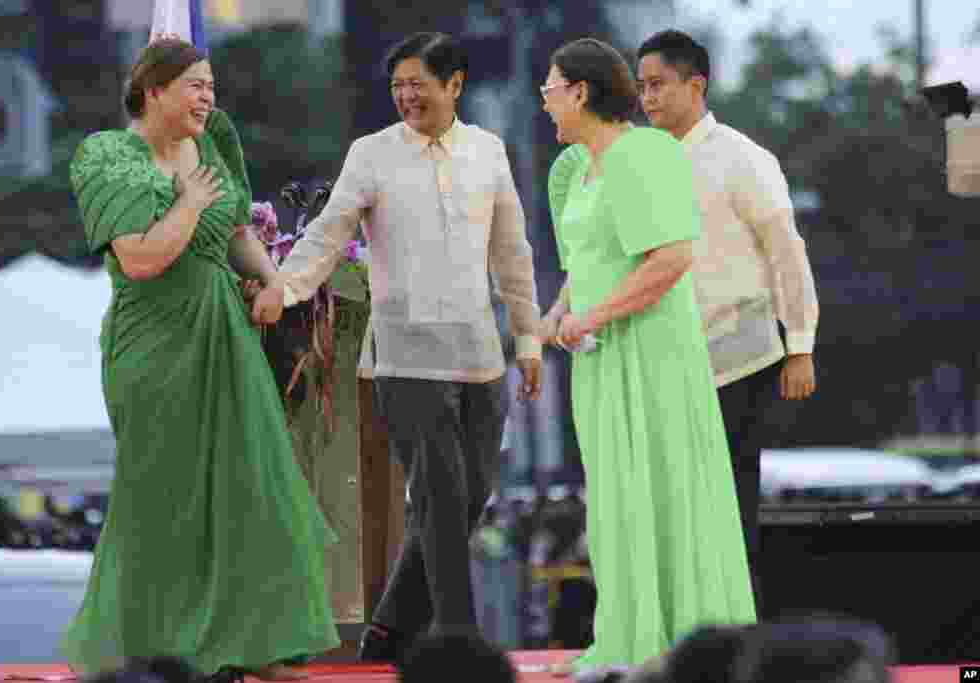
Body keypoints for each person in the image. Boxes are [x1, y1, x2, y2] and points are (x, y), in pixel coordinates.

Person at [64, 38, 339, 678]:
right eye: (194, 85)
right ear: (153, 90)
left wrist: (274, 282)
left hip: (226, 333)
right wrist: (187, 200)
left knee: (256, 485)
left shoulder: (212, 140)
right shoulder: (107, 157)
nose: (208, 98)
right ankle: (165, 654)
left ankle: (255, 644)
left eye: (211, 85)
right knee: (165, 496)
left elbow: (238, 225)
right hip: (153, 345)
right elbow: (140, 258)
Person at [267, 32, 543, 661]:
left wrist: (528, 336)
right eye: (397, 86)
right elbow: (329, 231)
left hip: (480, 354)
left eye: (419, 83)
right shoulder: (372, 154)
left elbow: (512, 251)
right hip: (405, 355)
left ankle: (389, 629)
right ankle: (456, 643)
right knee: (441, 498)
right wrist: (283, 291)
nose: (406, 95)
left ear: (455, 85)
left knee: (472, 497)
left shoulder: (489, 152)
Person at [540, 38, 756, 672]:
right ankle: (628, 636)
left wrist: (592, 316)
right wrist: (559, 313)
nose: (546, 104)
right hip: (598, 353)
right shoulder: (572, 169)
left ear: (580, 92)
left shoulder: (646, 152)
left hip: (652, 348)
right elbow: (587, 261)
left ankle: (686, 645)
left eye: (550, 89)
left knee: (664, 489)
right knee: (614, 498)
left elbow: (671, 257)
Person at [634, 29, 820, 606]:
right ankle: (683, 629)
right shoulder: (639, 160)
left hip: (739, 355)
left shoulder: (743, 158)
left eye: (659, 85)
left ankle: (737, 631)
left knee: (727, 503)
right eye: (641, 87)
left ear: (697, 85)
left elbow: (787, 253)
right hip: (663, 356)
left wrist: (801, 345)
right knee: (669, 506)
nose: (648, 98)